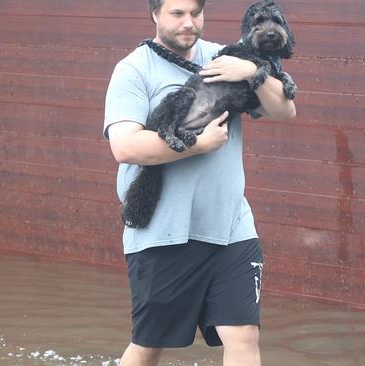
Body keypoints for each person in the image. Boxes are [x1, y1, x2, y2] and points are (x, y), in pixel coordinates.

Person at [103, 0, 296, 365]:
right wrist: (197, 146)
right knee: (149, 343)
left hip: (231, 227)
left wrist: (251, 70)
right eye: (177, 14)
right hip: (165, 231)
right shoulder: (133, 70)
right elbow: (125, 146)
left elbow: (284, 110)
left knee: (244, 335)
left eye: (196, 13)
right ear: (155, 14)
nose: (188, 23)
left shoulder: (226, 57)